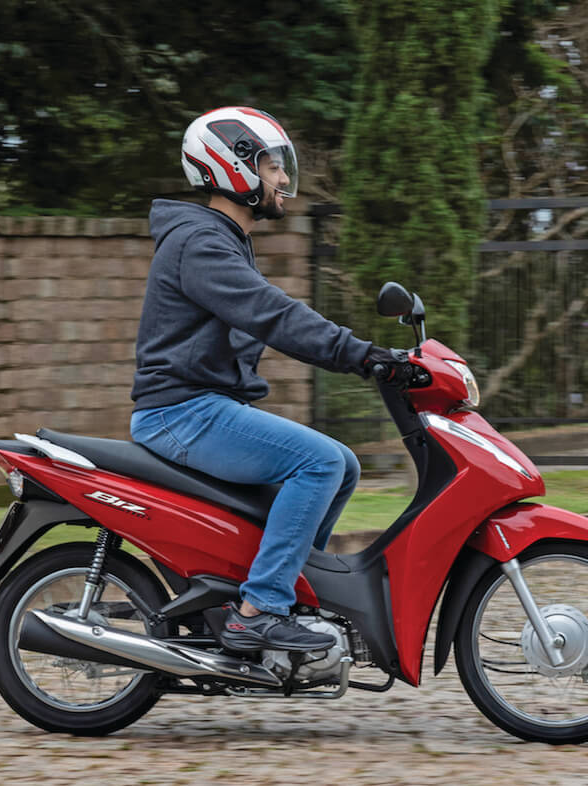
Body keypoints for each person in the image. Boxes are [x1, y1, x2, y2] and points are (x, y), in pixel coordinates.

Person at [130, 106, 399, 653]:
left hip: (203, 406)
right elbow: (274, 315)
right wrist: (363, 356)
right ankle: (260, 611)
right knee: (319, 461)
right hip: (180, 411)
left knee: (342, 465)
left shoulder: (220, 238)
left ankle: (287, 596)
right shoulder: (201, 244)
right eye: (272, 167)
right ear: (234, 168)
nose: (283, 180)